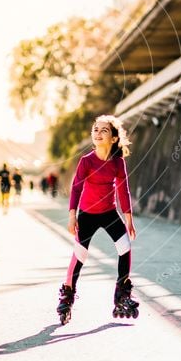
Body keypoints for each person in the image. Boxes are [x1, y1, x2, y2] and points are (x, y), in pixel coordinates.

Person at [56, 115, 138, 324]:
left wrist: (128, 219)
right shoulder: (86, 161)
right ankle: (67, 295)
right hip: (87, 214)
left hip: (109, 213)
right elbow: (76, 187)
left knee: (125, 247)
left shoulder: (118, 162)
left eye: (104, 130)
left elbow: (123, 190)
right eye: (95, 129)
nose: (98, 133)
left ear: (113, 138)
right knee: (80, 256)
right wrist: (72, 215)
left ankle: (122, 294)